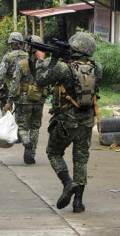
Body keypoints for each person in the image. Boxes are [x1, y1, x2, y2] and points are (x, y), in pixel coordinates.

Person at [35, 32, 102, 212]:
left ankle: (67, 183)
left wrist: (47, 61)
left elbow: (41, 81)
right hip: (86, 122)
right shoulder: (98, 68)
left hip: (65, 122)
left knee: (53, 152)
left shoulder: (64, 68)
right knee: (80, 160)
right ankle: (78, 202)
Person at [4, 35, 48, 165]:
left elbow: (14, 83)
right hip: (39, 99)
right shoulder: (45, 65)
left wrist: (9, 101)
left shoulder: (21, 64)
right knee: (35, 128)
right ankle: (30, 155)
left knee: (22, 127)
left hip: (24, 100)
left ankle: (26, 141)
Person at [0, 32, 28, 116]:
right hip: (24, 88)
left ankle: (7, 125)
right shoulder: (28, 56)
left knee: (5, 107)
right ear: (21, 44)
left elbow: (1, 73)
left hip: (9, 87)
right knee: (21, 111)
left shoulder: (8, 56)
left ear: (11, 44)